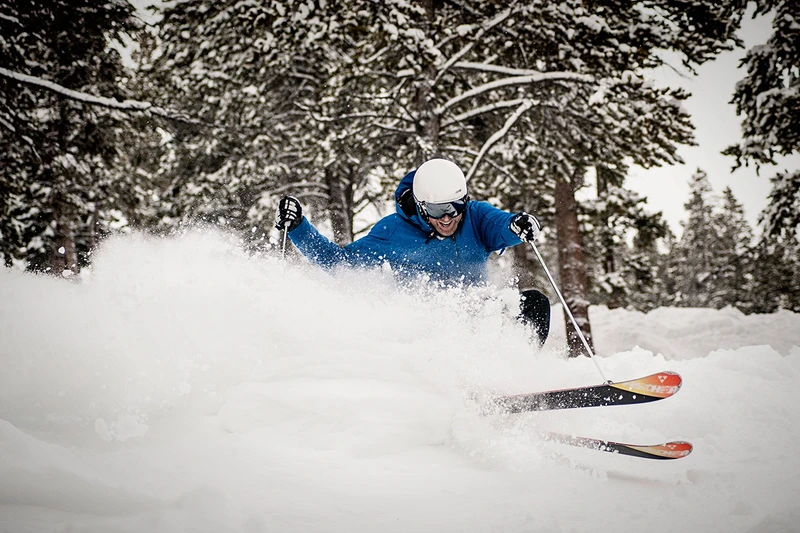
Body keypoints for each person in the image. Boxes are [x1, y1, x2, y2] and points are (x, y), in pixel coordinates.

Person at [275, 158, 551, 345]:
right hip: (432, 334)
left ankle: (519, 374)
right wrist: (299, 227)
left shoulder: (475, 217)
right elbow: (339, 263)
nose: (447, 218)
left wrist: (517, 225)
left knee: (534, 303)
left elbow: (502, 225)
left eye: (454, 207)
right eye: (436, 210)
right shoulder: (393, 231)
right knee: (442, 334)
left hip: (482, 322)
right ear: (420, 206)